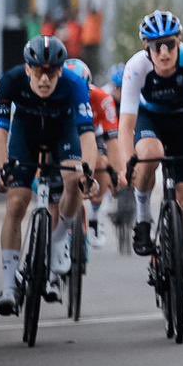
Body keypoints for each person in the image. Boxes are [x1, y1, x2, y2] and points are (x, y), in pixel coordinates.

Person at [118, 10, 183, 320]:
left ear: (180, 43)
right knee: (149, 153)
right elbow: (126, 125)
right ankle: (143, 218)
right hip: (151, 121)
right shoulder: (136, 67)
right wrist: (126, 164)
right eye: (156, 46)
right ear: (146, 48)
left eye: (170, 45)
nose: (164, 52)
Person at [0, 37, 99, 314]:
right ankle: (8, 285)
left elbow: (87, 136)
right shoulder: (10, 81)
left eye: (51, 72)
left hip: (62, 133)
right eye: (38, 70)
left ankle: (59, 238)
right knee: (17, 202)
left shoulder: (75, 85)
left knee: (74, 179)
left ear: (61, 70)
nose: (44, 79)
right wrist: (1, 169)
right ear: (28, 68)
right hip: (25, 134)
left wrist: (88, 172)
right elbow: (0, 132)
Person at [64, 58, 122, 249]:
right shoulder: (52, 97)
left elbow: (112, 141)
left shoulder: (102, 98)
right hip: (64, 135)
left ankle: (95, 216)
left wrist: (116, 173)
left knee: (101, 163)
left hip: (92, 135)